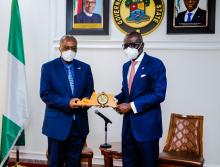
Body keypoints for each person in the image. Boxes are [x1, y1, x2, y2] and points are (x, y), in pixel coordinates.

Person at [40, 35, 94, 167]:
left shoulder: (85, 67)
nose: (70, 50)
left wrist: (85, 101)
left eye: (73, 48)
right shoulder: (48, 67)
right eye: (66, 47)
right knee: (55, 163)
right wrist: (67, 102)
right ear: (60, 48)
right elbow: (45, 94)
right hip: (56, 126)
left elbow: (90, 92)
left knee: (74, 163)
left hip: (79, 126)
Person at [115, 31, 167, 167]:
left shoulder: (155, 64)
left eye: (132, 44)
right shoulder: (126, 66)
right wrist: (110, 100)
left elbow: (159, 94)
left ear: (141, 45)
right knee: (128, 164)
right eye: (125, 45)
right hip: (128, 129)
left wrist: (131, 106)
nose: (128, 48)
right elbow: (126, 93)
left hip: (147, 129)